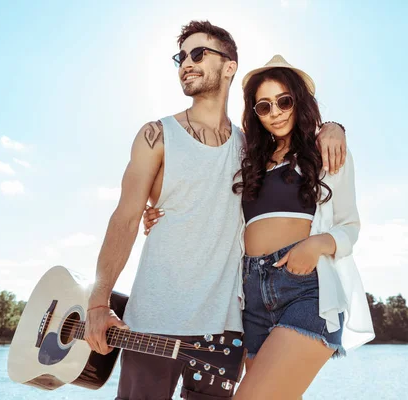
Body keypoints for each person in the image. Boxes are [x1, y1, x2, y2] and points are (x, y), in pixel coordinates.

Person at [85, 20, 347, 400]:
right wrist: (98, 301)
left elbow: (296, 146)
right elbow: (124, 219)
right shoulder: (156, 135)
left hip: (224, 330)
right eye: (180, 57)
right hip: (154, 319)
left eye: (197, 53)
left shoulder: (251, 151)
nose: (185, 64)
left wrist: (335, 127)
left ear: (228, 66)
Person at [144, 55, 374, 399]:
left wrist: (317, 244)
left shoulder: (324, 150)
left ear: (300, 101)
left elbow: (350, 226)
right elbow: (208, 205)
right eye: (264, 106)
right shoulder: (247, 159)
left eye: (284, 101)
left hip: (305, 291)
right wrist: (162, 215)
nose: (276, 112)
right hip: (251, 297)